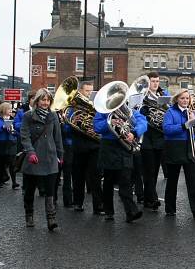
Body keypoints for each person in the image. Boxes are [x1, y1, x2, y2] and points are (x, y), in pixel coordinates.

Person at [93, 94, 146, 223]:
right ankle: (109, 211)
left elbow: (143, 123)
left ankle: (130, 211)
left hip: (124, 147)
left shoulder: (130, 111)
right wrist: (110, 122)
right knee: (109, 180)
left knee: (125, 180)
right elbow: (97, 127)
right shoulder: (103, 112)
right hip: (109, 146)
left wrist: (134, 133)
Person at [19, 89, 63, 230]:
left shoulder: (53, 115)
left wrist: (60, 155)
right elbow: (24, 136)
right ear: (37, 101)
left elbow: (58, 137)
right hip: (34, 158)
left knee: (50, 190)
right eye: (43, 100)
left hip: (50, 157)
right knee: (30, 190)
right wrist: (30, 152)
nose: (45, 103)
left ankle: (51, 219)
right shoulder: (28, 116)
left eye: (48, 100)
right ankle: (29, 215)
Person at [161, 89, 195, 219]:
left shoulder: (191, 112)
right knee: (172, 181)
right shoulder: (170, 112)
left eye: (187, 98)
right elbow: (167, 129)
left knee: (192, 181)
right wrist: (184, 125)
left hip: (189, 148)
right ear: (177, 100)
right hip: (174, 148)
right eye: (182, 98)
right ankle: (170, 208)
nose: (185, 101)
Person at [71, 81, 103, 214]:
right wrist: (73, 122)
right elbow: (66, 127)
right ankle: (78, 203)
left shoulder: (98, 108)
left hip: (94, 146)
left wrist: (96, 128)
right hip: (79, 145)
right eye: (86, 91)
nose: (89, 94)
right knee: (78, 176)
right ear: (80, 92)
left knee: (95, 177)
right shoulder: (72, 108)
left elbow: (102, 124)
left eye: (91, 91)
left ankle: (99, 206)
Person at [139, 71, 169, 210]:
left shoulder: (162, 96)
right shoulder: (142, 97)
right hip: (147, 138)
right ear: (147, 82)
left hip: (159, 138)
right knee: (149, 171)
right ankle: (153, 198)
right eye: (153, 81)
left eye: (157, 81)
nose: (156, 84)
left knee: (155, 171)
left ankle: (147, 199)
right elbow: (140, 115)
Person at [0, 102, 19, 189]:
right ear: (3, 110)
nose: (11, 111)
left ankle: (14, 182)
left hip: (11, 143)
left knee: (12, 164)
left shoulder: (13, 120)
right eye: (9, 109)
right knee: (2, 164)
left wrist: (14, 132)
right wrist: (3, 127)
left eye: (11, 109)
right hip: (1, 143)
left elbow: (18, 133)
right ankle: (1, 181)